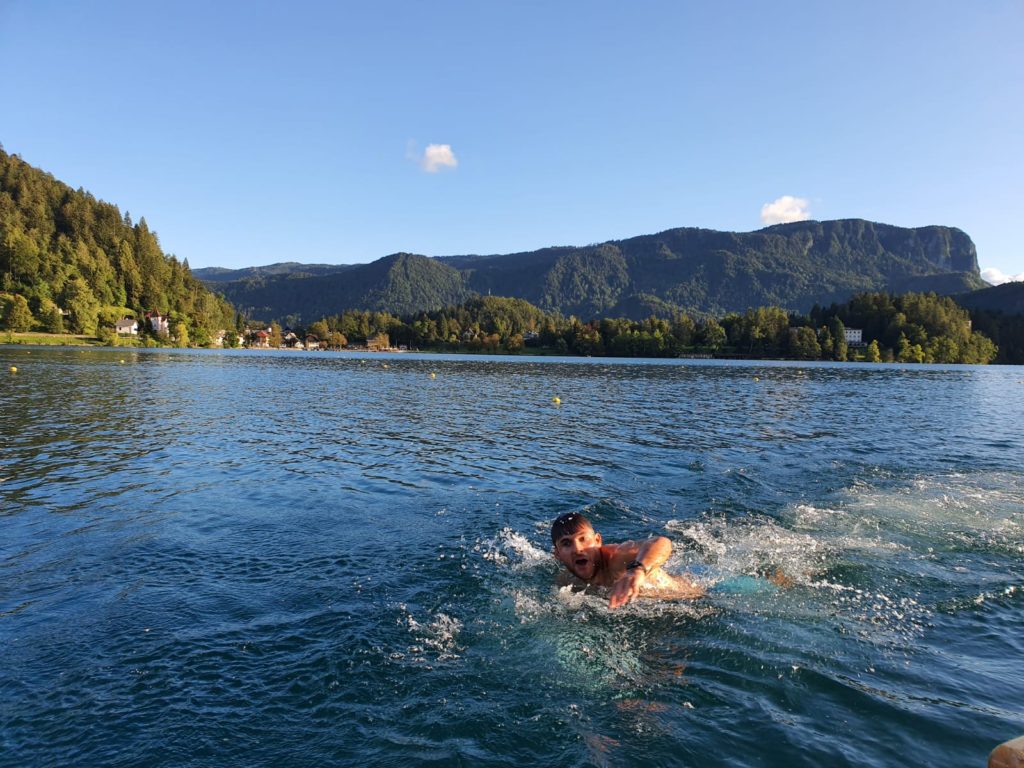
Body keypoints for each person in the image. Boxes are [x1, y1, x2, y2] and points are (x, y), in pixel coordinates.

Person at [550, 512, 705, 609]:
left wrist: (637, 569)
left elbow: (661, 542)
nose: (578, 549)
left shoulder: (617, 558)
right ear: (557, 554)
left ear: (598, 540)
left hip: (695, 598)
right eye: (566, 543)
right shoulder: (566, 580)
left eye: (583, 539)